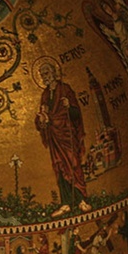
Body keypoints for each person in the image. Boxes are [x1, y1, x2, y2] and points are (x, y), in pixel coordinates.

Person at [34, 60, 91, 218]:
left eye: (46, 73)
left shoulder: (65, 89)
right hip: (55, 137)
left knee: (73, 164)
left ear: (53, 73)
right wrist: (43, 119)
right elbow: (42, 121)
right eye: (41, 74)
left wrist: (69, 107)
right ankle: (66, 203)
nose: (44, 76)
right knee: (59, 168)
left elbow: (76, 114)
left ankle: (81, 200)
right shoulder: (45, 95)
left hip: (67, 134)